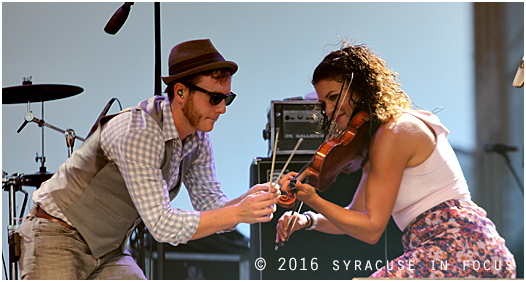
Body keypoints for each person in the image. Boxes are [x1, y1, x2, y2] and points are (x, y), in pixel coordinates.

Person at [19, 39, 279, 279]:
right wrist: (239, 212)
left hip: (109, 250)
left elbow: (212, 207)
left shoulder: (198, 140)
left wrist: (247, 202)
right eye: (214, 98)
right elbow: (162, 225)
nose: (222, 108)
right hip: (56, 235)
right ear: (180, 92)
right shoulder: (140, 131)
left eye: (227, 99)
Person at [275, 41, 516, 278]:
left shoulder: (394, 133)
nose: (328, 110)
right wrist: (307, 220)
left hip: (463, 247)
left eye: (334, 97)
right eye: (323, 103)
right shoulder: (382, 138)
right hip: (457, 249)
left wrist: (313, 199)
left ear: (360, 88)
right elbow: (355, 216)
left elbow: (371, 229)